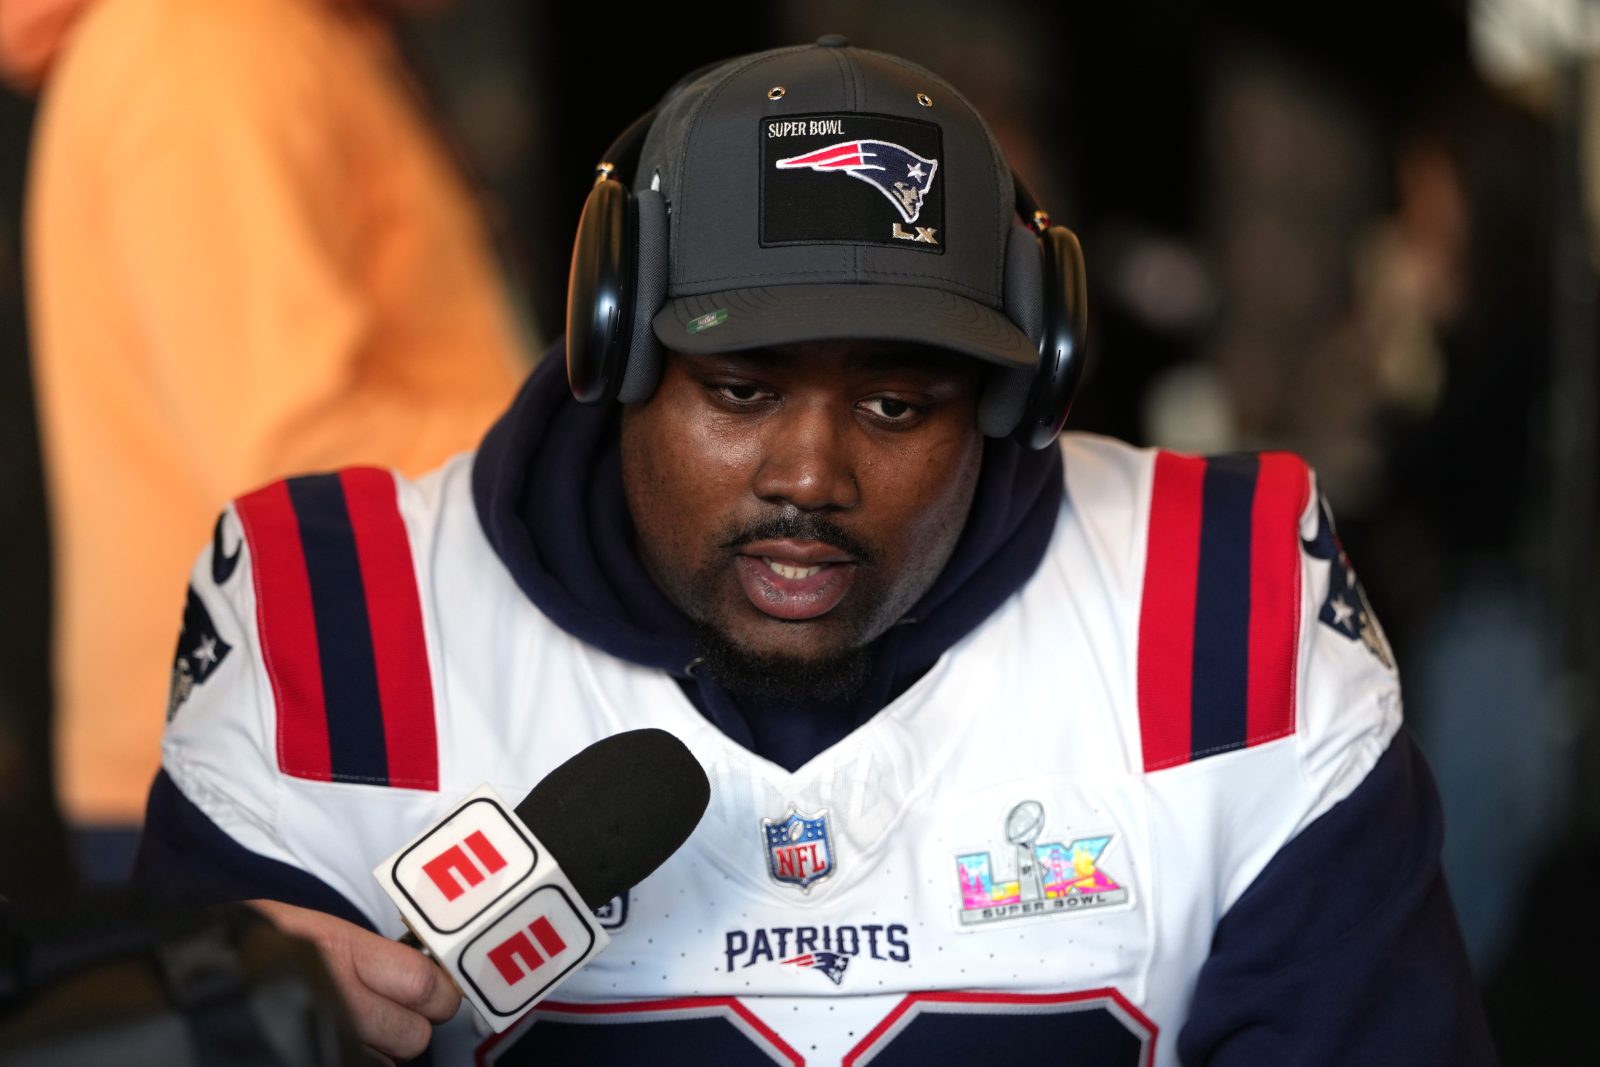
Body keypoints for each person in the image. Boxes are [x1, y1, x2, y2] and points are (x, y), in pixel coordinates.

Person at [132, 38, 1494, 1065]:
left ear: (1031, 389)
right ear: (612, 345)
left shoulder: (1221, 599)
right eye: (740, 390)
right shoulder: (340, 614)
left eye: (898, 404)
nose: (809, 475)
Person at [1, 0, 528, 872]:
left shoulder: (278, 37)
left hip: (318, 742)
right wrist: (600, 454)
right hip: (276, 769)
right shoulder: (205, 47)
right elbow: (294, 454)